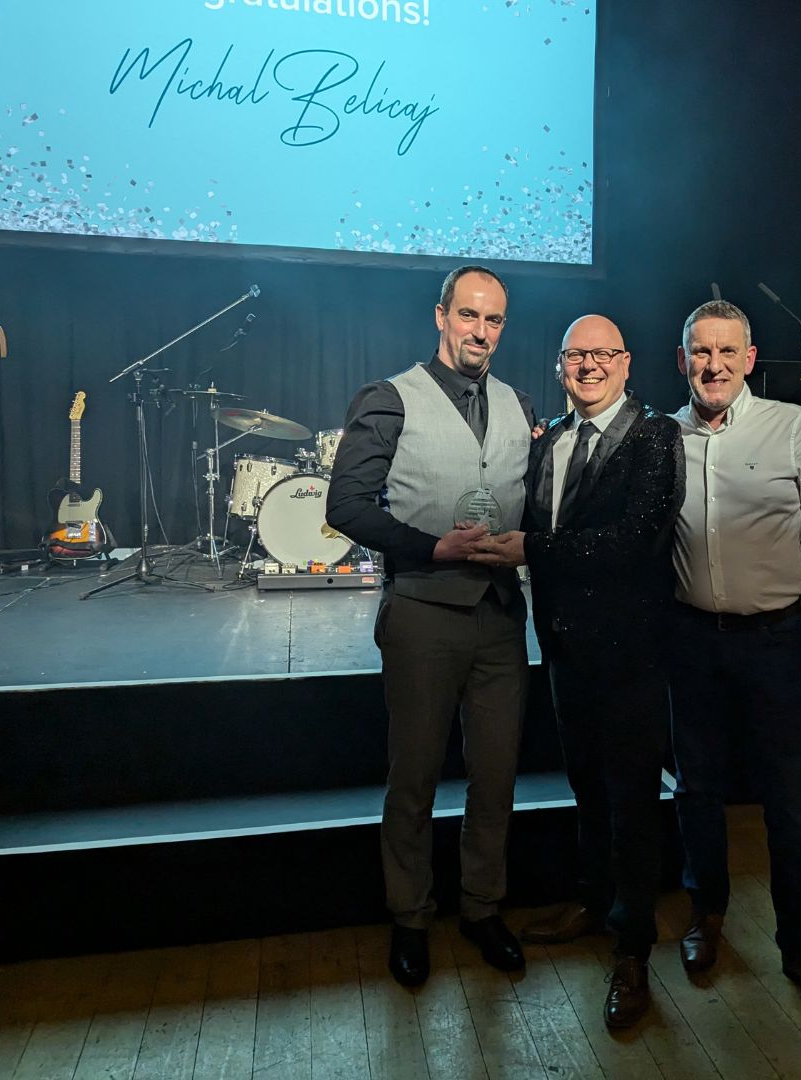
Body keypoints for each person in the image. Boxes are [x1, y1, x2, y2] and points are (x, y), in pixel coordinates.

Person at [470, 315, 685, 1029]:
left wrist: (529, 546)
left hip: (630, 654)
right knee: (587, 787)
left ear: (627, 364)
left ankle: (633, 948)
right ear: (560, 365)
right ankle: (597, 904)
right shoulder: (551, 439)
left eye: (602, 355)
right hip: (562, 646)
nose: (588, 365)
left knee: (631, 801)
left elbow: (632, 541)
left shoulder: (656, 436)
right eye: (575, 355)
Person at [325, 265, 534, 988]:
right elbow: (345, 506)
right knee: (414, 778)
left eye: (495, 320)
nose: (482, 331)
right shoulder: (390, 398)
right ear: (441, 316)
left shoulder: (518, 402)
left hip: (502, 618)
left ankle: (482, 907)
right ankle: (410, 917)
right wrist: (428, 545)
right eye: (470, 315)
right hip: (422, 612)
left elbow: (531, 501)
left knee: (496, 777)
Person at [670, 299, 801, 1022]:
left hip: (774, 642)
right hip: (689, 639)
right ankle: (707, 915)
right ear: (682, 359)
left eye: (726, 351)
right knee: (697, 791)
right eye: (699, 351)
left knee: (791, 806)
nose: (712, 365)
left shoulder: (793, 427)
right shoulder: (664, 437)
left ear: (749, 359)